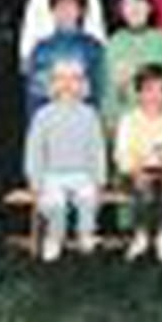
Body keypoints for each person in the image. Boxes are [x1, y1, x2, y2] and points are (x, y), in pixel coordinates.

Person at [24, 60, 107, 262]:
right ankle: (54, 238)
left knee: (88, 198)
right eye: (61, 79)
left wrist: (99, 178)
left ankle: (85, 234)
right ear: (52, 84)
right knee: (56, 204)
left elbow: (97, 149)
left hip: (82, 173)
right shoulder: (43, 115)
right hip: (52, 175)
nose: (68, 84)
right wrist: (35, 181)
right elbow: (34, 150)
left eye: (74, 79)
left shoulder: (89, 115)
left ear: (83, 85)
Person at [115, 64, 162, 264]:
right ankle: (141, 235)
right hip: (134, 172)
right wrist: (134, 169)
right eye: (149, 90)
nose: (155, 96)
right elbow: (122, 153)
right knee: (143, 188)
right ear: (138, 93)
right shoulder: (129, 120)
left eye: (161, 90)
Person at [103, 0, 162, 131]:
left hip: (159, 120)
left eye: (139, 2)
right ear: (121, 11)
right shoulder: (114, 43)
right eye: (128, 4)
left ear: (150, 7)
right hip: (126, 121)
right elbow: (108, 92)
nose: (134, 8)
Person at [25, 0, 105, 118]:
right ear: (52, 11)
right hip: (50, 118)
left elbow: (100, 89)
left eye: (71, 6)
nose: (66, 11)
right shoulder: (41, 49)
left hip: (84, 117)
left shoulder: (93, 47)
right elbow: (35, 93)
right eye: (60, 7)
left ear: (81, 11)